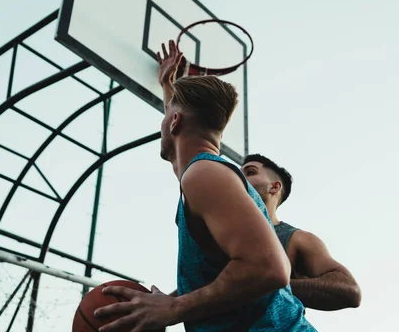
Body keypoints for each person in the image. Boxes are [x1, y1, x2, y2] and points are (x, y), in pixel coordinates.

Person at [94, 41, 316, 331]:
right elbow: (181, 133)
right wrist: (168, 86)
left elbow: (271, 269)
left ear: (174, 123)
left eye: (167, 116)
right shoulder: (203, 174)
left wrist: (174, 307)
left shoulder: (205, 175)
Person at [241, 155, 362, 312]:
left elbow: (349, 290)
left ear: (274, 187)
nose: (239, 178)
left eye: (250, 172)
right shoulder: (215, 231)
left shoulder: (296, 239)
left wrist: (268, 287)